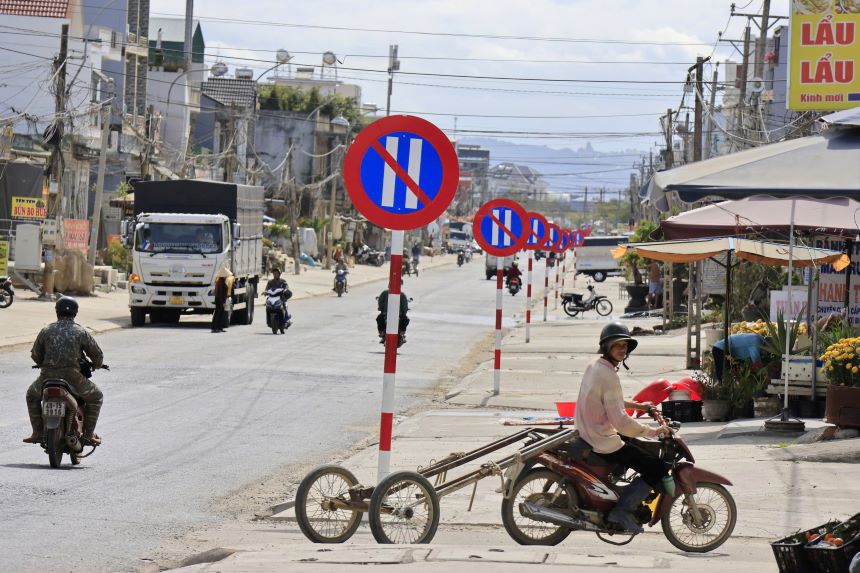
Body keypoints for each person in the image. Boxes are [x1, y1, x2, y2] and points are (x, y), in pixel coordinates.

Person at [575, 322, 670, 533]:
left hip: (590, 431)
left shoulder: (595, 366)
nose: (622, 349)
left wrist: (639, 405)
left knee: (638, 449)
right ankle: (622, 511)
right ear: (606, 346)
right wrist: (653, 431)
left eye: (625, 345)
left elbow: (611, 400)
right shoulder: (608, 375)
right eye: (617, 344)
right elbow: (620, 422)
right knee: (656, 468)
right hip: (600, 438)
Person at [24, 297, 105, 446]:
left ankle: (37, 432)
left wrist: (44, 363)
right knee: (97, 396)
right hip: (74, 379)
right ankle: (88, 435)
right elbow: (97, 356)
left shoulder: (46, 330)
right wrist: (97, 364)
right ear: (75, 313)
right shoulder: (81, 332)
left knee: (31, 395)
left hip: (47, 378)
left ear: (57, 312)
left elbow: (36, 355)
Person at [211, 266, 234, 333]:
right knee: (218, 314)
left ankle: (219, 327)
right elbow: (220, 293)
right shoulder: (220, 282)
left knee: (220, 314)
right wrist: (222, 302)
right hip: (220, 301)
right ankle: (216, 327)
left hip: (220, 300)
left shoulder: (221, 281)